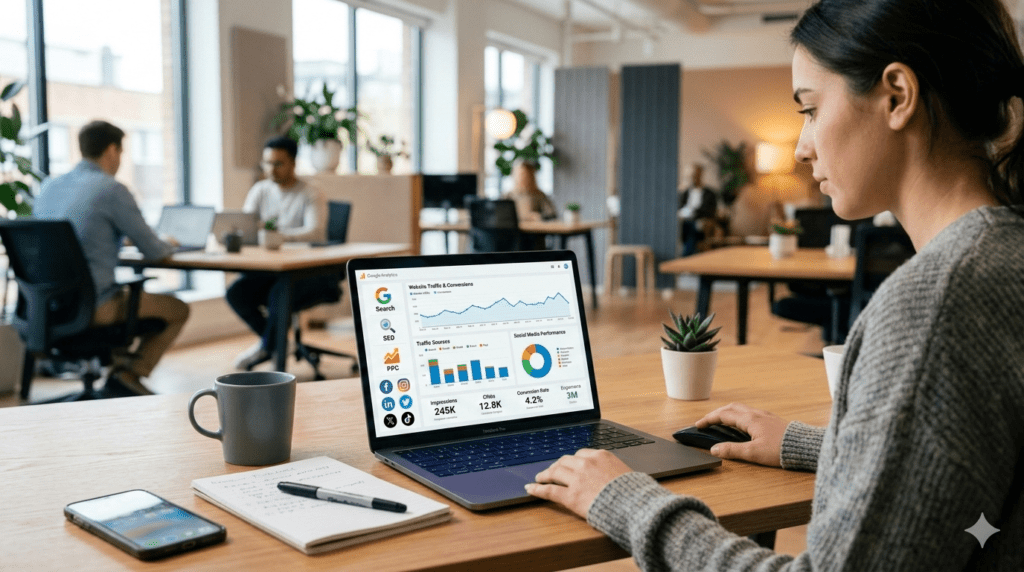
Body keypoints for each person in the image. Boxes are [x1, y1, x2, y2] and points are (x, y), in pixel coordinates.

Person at [526, 1, 1024, 570]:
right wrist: (816, 443)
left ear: (896, 96)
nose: (801, 147)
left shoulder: (935, 303)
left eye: (810, 110)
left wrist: (626, 500)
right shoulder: (1004, 254)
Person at [34, 120, 189, 396]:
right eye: (121, 152)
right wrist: (170, 242)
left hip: (47, 306)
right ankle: (128, 373)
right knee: (178, 310)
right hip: (93, 308)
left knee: (123, 298)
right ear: (111, 150)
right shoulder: (112, 189)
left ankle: (117, 376)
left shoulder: (49, 187)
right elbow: (154, 250)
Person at [228, 136, 332, 370]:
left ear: (293, 163)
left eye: (278, 163)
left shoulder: (311, 192)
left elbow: (316, 233)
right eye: (267, 163)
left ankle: (268, 346)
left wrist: (278, 236)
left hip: (309, 272)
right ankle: (277, 344)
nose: (271, 169)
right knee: (236, 293)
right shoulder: (260, 190)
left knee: (279, 293)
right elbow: (248, 227)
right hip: (271, 270)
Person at [678, 163, 717, 256]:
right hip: (686, 221)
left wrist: (695, 212)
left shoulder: (710, 194)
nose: (693, 177)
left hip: (701, 221)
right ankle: (690, 255)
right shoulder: (685, 193)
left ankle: (686, 256)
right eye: (692, 175)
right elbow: (680, 208)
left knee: (693, 227)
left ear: (700, 175)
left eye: (696, 174)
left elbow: (711, 211)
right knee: (687, 226)